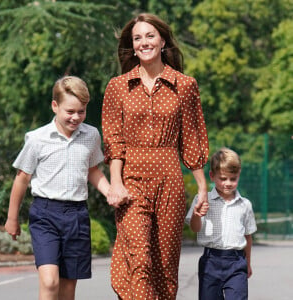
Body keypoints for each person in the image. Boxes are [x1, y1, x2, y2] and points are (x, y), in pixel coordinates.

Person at [102, 13, 209, 300]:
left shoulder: (185, 85)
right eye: (137, 38)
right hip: (131, 181)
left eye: (150, 36)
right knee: (139, 259)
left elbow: (192, 139)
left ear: (162, 40)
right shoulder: (118, 86)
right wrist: (115, 182)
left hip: (170, 182)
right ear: (132, 45)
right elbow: (114, 142)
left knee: (163, 266)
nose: (144, 42)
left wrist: (201, 188)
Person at [5, 76, 110, 300]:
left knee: (68, 287)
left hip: (77, 216)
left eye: (81, 111)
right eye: (69, 111)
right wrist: (12, 218)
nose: (75, 117)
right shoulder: (36, 139)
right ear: (55, 106)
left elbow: (92, 170)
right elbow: (22, 179)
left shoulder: (91, 135)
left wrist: (110, 191)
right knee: (50, 281)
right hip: (45, 215)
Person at [186, 147, 257, 300]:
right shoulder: (202, 200)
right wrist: (197, 215)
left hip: (237, 263)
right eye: (223, 178)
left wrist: (248, 264)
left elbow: (248, 237)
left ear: (238, 176)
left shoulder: (245, 205)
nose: (228, 183)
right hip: (210, 261)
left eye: (233, 178)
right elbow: (194, 228)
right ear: (212, 176)